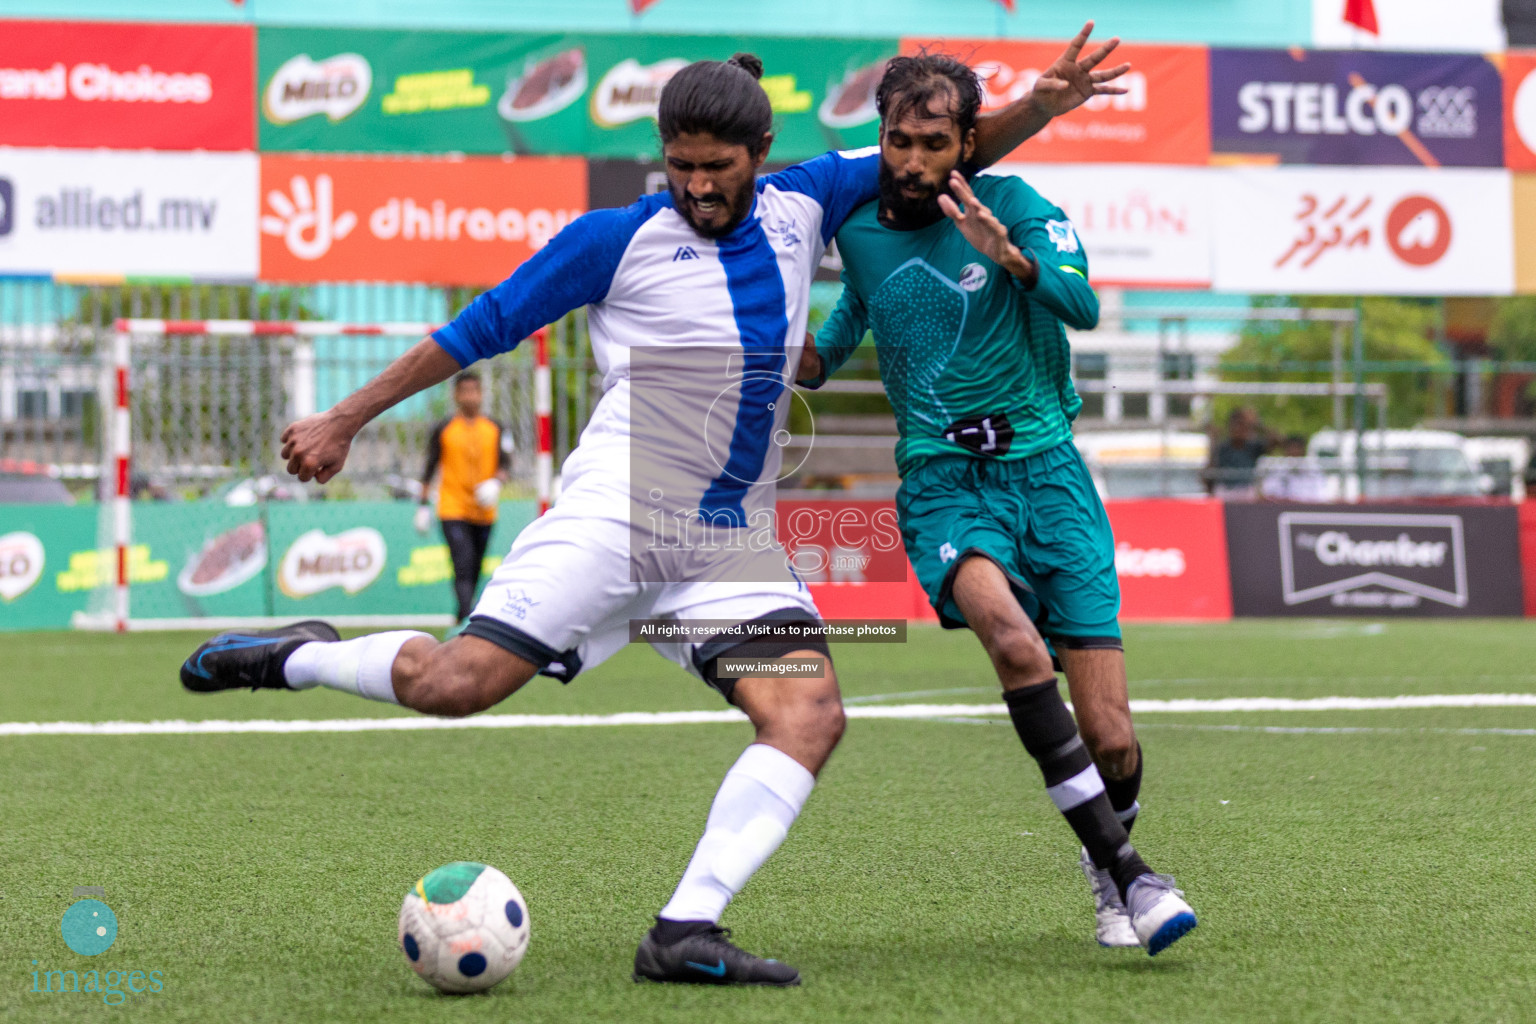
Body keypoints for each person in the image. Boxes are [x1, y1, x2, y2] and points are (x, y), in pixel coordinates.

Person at [178, 32, 1128, 986]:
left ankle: (684, 930)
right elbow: (472, 332)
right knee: (452, 687)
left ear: (762, 157)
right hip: (615, 524)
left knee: (808, 713)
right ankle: (295, 656)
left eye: (719, 169)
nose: (699, 188)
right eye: (681, 168)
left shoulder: (809, 201)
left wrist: (1041, 107)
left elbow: (931, 163)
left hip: (726, 551)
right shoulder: (614, 239)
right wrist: (345, 418)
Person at [797, 51, 1196, 955]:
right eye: (896, 139)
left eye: (931, 143)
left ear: (964, 145)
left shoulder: (1017, 208)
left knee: (1115, 738)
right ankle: (1134, 877)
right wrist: (766, 343)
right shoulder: (858, 233)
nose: (908, 160)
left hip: (1051, 478)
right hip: (943, 481)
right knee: (1015, 643)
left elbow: (1083, 306)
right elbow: (832, 346)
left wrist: (1009, 260)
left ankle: (1107, 864)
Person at [414, 371, 512, 622]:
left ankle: (462, 613)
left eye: (474, 391)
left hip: (484, 510)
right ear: (456, 395)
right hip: (452, 507)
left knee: (476, 565)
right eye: (464, 391)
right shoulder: (444, 428)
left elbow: (506, 465)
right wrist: (423, 506)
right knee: (462, 561)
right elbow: (429, 467)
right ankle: (467, 618)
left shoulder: (496, 428)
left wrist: (496, 483)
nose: (470, 397)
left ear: (481, 394)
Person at [1207, 406, 1273, 497]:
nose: (1238, 429)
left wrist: (1258, 425)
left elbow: (1276, 441)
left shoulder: (1254, 446)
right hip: (1225, 490)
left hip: (1247, 490)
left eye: (1242, 425)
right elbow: (1209, 472)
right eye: (1235, 425)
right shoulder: (1222, 447)